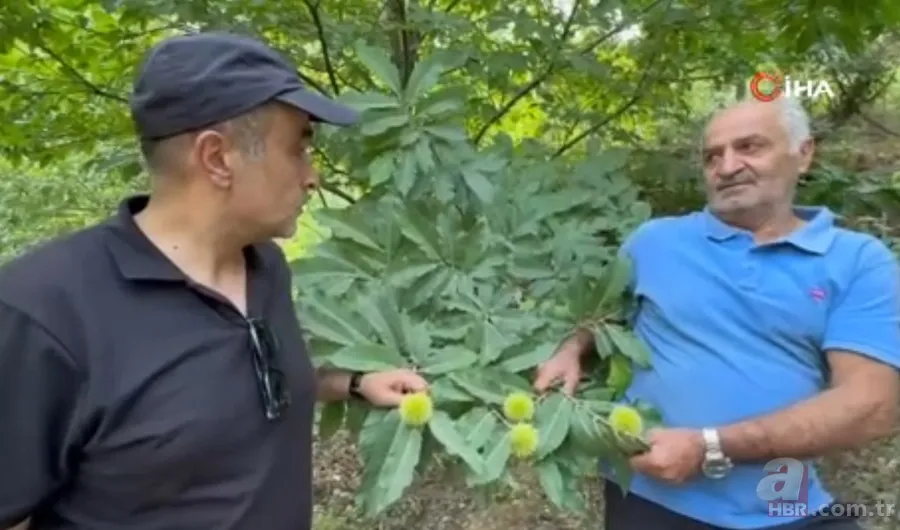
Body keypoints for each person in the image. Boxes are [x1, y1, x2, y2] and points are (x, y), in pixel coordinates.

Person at [0, 32, 428, 530]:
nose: (312, 177)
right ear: (217, 158)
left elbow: (238, 382)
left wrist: (351, 384)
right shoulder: (44, 313)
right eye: (298, 149)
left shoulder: (264, 268)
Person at [534, 97, 900, 529]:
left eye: (749, 147)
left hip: (783, 504)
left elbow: (873, 405)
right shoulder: (653, 242)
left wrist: (709, 446)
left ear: (804, 154)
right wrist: (570, 348)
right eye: (713, 156)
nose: (727, 167)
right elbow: (606, 316)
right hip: (652, 498)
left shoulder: (856, 260)